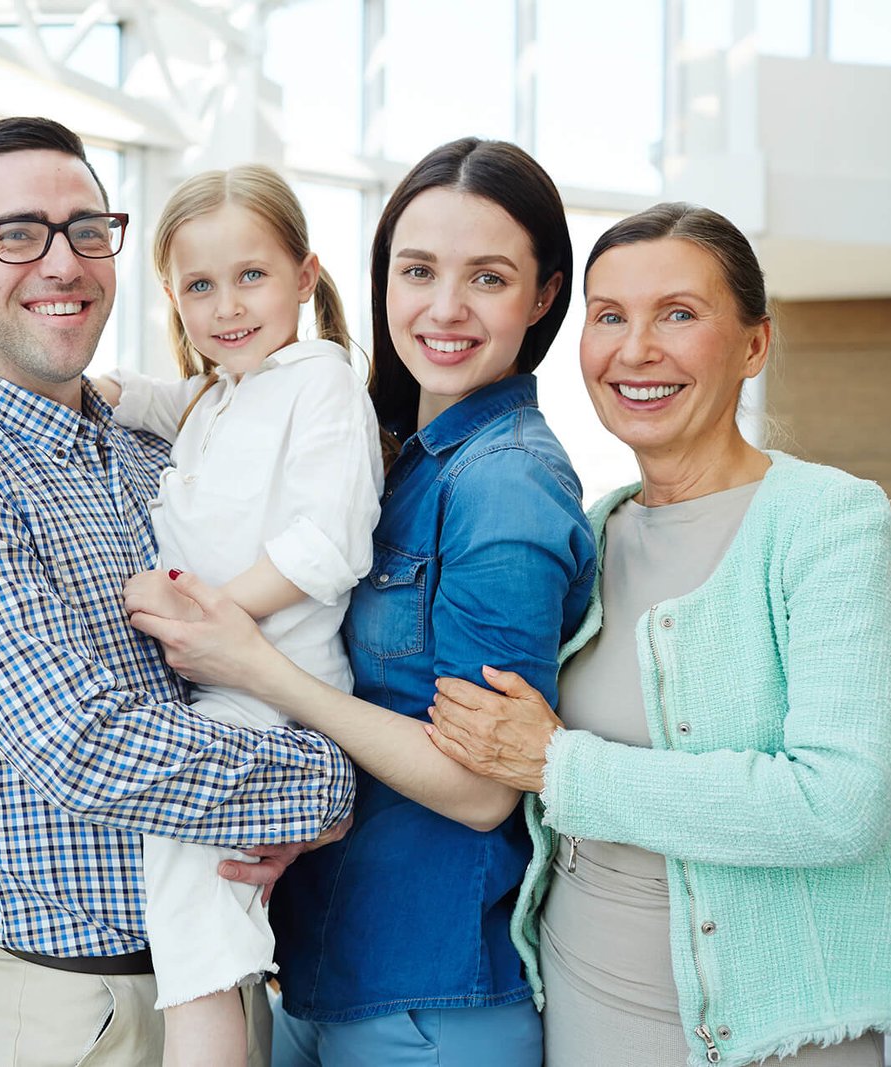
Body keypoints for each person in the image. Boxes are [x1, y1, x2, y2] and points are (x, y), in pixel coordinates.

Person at [0, 120, 357, 1067]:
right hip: (82, 1012)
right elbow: (87, 746)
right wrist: (329, 785)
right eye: (17, 234)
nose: (62, 262)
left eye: (87, 230)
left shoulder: (153, 448)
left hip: (224, 966)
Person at [423, 202, 891, 1066]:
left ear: (754, 345)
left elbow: (839, 803)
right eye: (609, 317)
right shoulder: (593, 530)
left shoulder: (830, 521)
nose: (636, 350)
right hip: (578, 1002)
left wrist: (561, 765)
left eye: (678, 313)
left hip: (772, 1034)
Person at [127, 137, 597, 1066]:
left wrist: (255, 666)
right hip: (330, 972)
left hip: (426, 1003)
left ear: (544, 296)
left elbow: (479, 790)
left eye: (491, 278)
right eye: (417, 270)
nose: (445, 307)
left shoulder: (505, 484)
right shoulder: (396, 452)